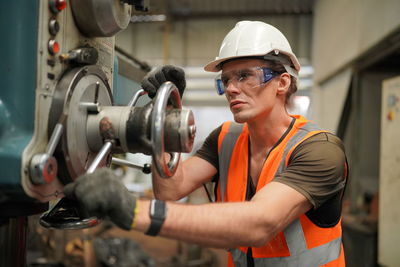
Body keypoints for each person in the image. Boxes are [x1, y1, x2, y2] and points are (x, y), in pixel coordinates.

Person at [64, 21, 348, 266]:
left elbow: (260, 224)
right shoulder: (226, 138)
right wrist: (165, 118)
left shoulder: (320, 150)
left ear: (282, 83)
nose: (232, 88)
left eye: (245, 76)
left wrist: (133, 210)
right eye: (225, 80)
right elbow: (171, 189)